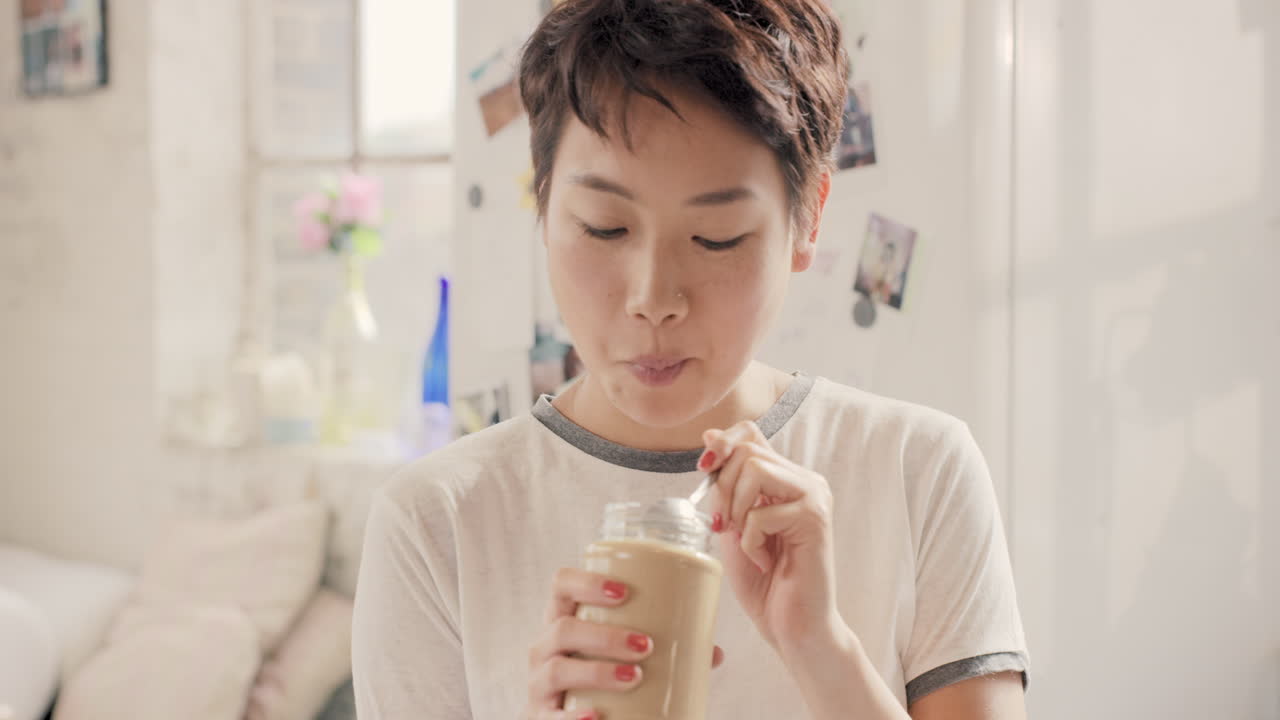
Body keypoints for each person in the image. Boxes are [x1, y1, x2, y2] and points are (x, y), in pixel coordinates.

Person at [352, 1, 1029, 718]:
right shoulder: (436, 525)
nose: (653, 299)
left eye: (717, 238)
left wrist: (821, 648)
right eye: (605, 227)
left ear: (809, 219)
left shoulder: (916, 469)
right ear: (544, 202)